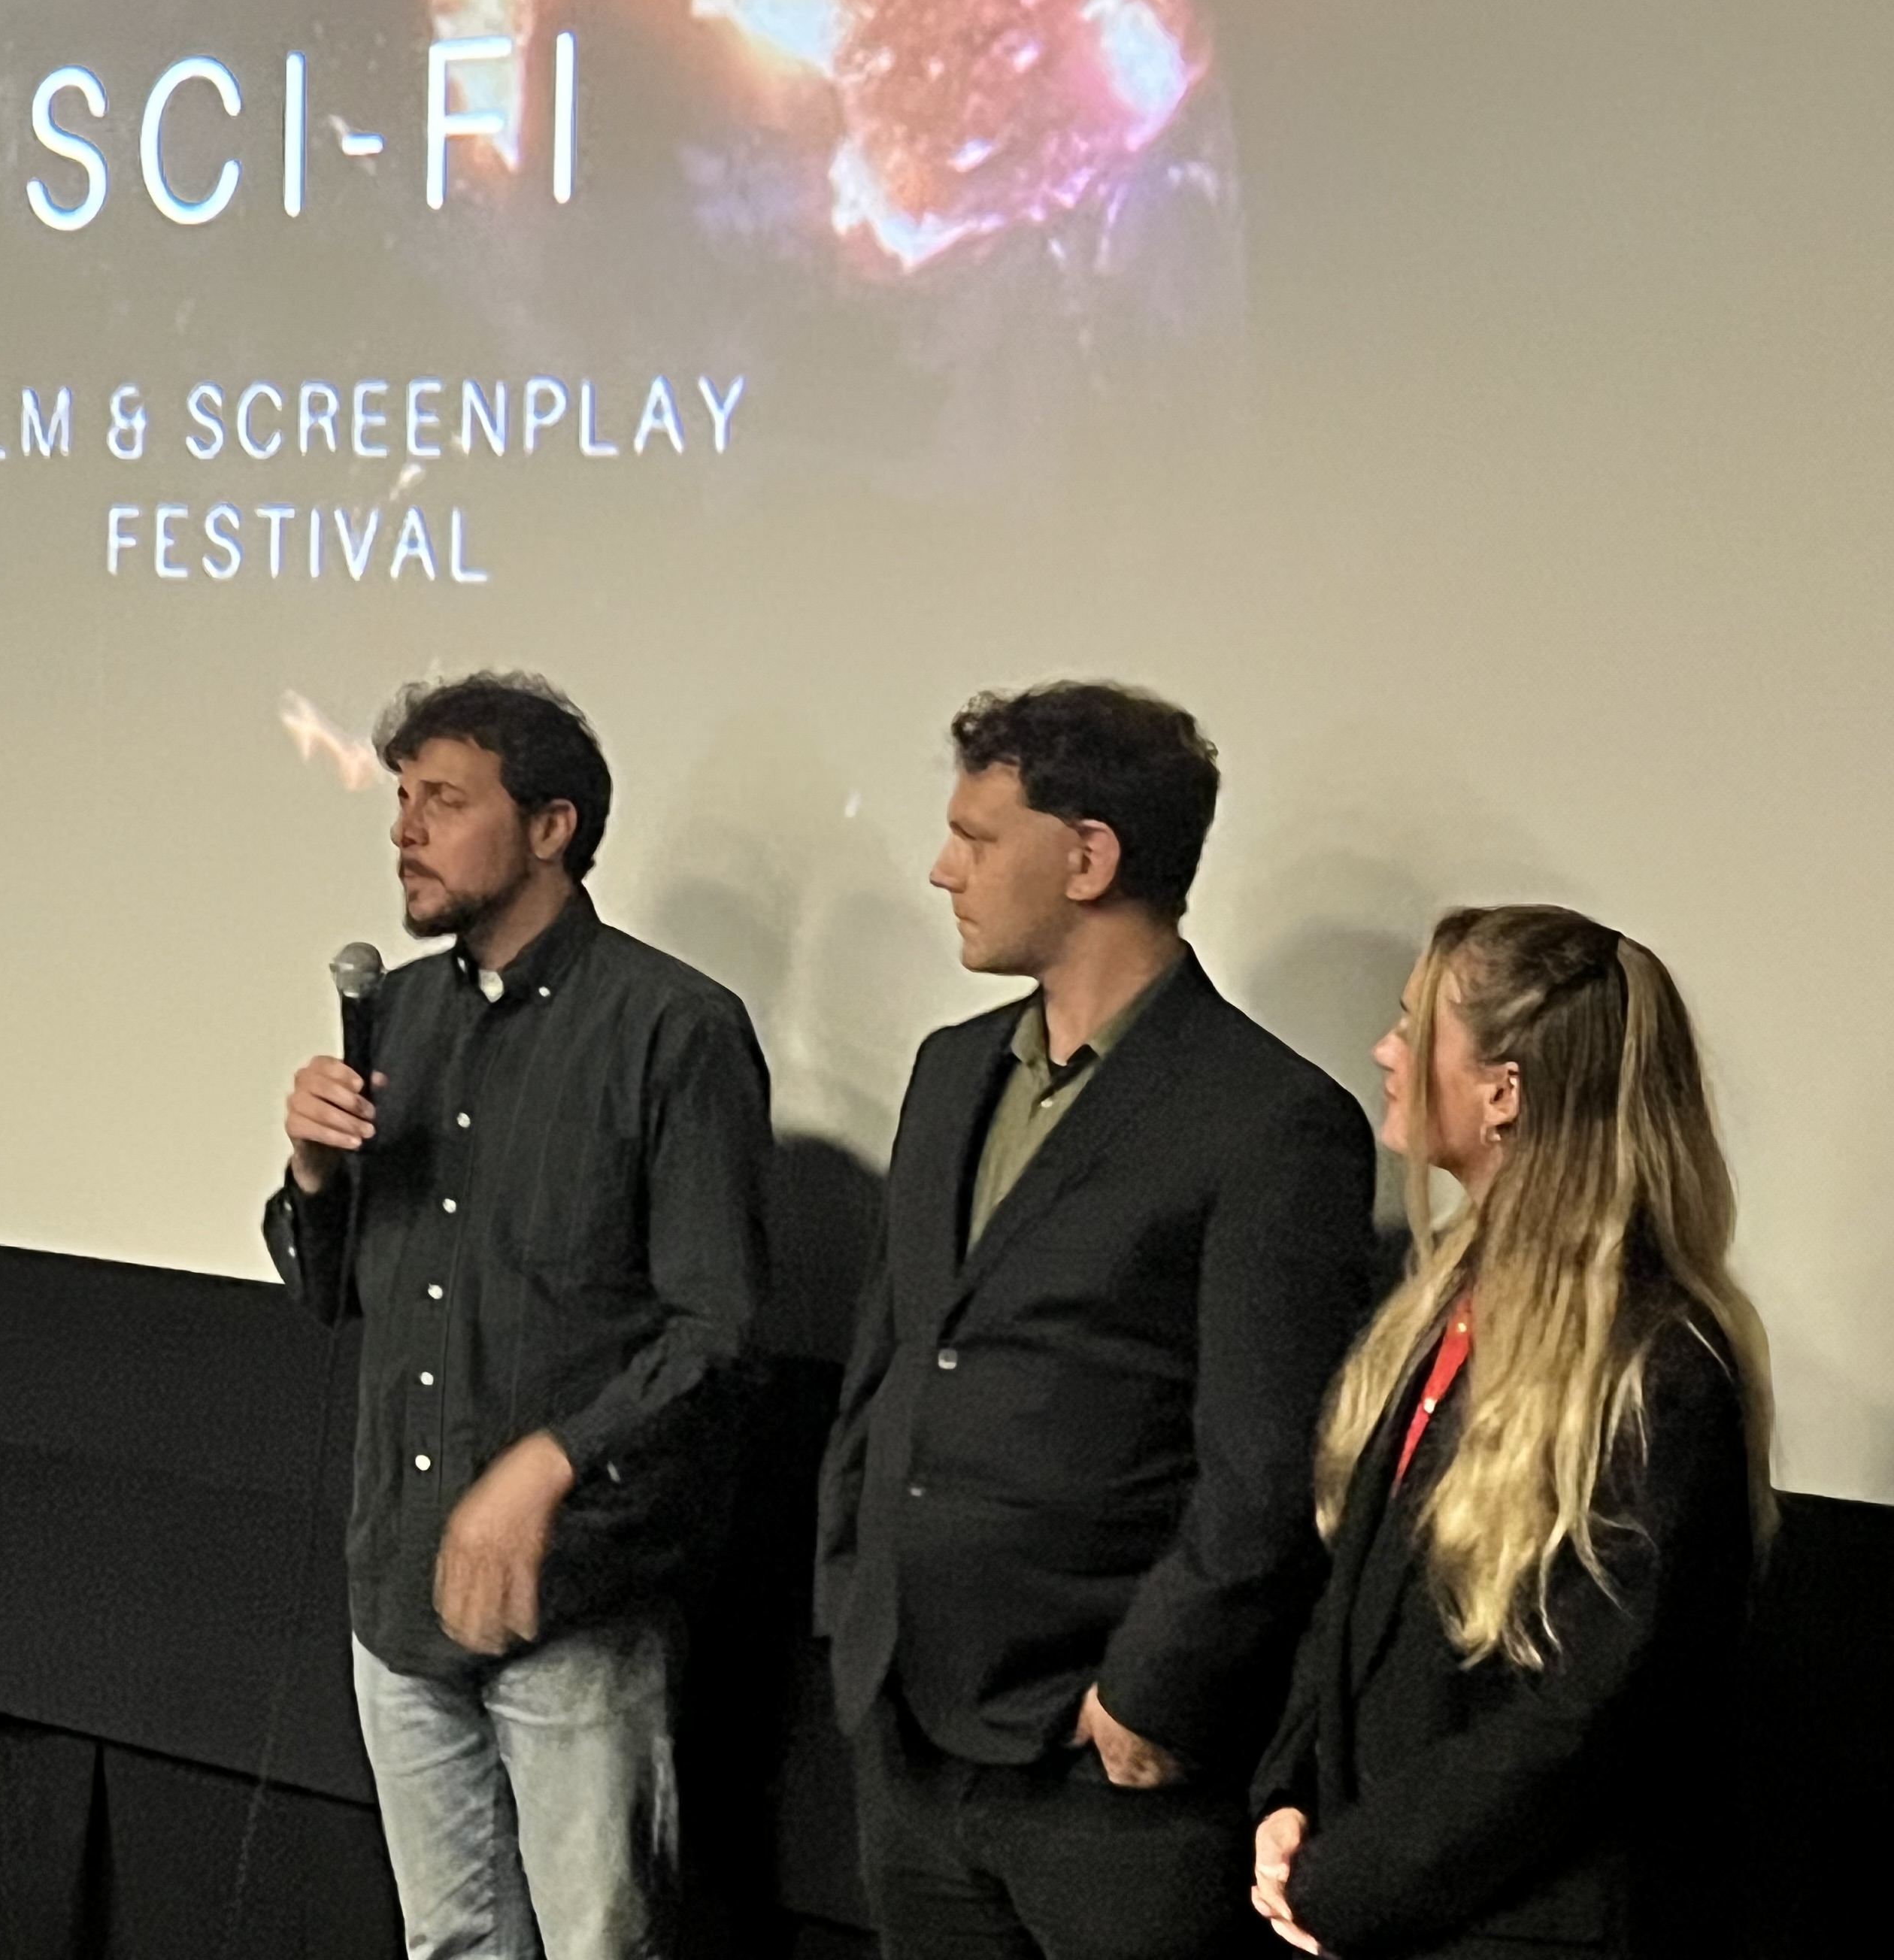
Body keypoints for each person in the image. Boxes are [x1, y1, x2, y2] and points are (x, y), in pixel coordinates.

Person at [816, 681, 1380, 1959]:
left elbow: (1268, 1467)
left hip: (1109, 1780)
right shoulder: (950, 1070)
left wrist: (1145, 1696)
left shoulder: (1270, 1120)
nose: (942, 868)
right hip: (909, 1735)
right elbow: (890, 1358)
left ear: (1089, 858)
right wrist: (854, 1602)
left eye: (977, 837)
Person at [265, 671, 770, 1960]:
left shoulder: (674, 1029)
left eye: (445, 800)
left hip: (576, 1598)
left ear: (551, 827)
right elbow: (331, 1293)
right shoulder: (398, 1015)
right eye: (401, 798)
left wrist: (547, 1465)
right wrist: (313, 1176)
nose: (406, 829)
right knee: (451, 1946)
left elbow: (716, 1333)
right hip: (400, 1585)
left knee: (599, 1946)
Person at [1249, 907, 1773, 1959]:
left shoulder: (1659, 1367)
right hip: (1383, 1906)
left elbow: (1586, 1715)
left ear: (1505, 1091)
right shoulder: (1438, 1305)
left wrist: (1354, 1881)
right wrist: (1288, 1797)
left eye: (1414, 1026)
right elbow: (1349, 1600)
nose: (1384, 1050)